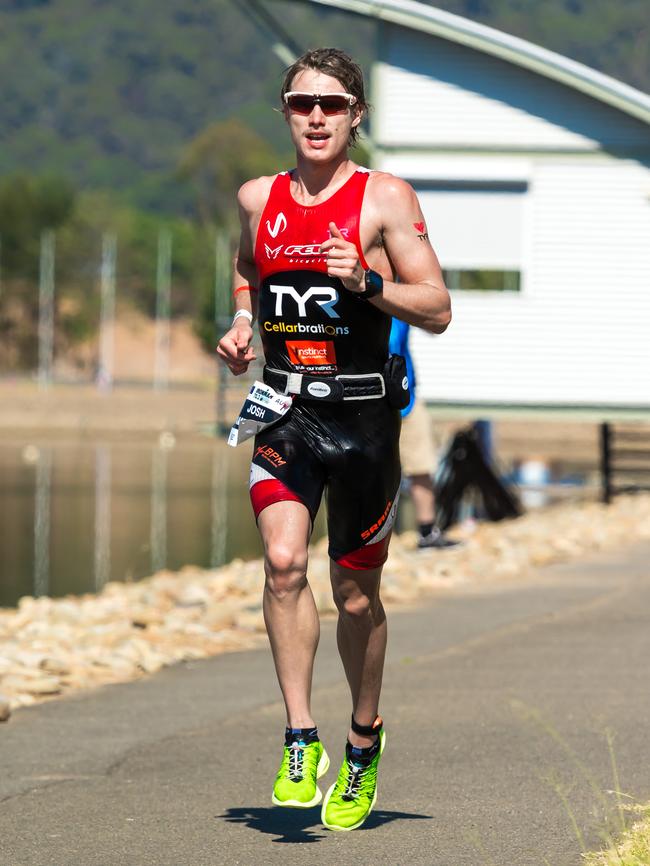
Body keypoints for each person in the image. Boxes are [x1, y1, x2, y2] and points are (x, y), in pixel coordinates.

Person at [216, 47, 451, 832]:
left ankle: (362, 737)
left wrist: (369, 284)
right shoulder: (258, 196)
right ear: (285, 111)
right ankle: (299, 735)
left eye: (331, 105)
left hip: (363, 422)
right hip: (284, 409)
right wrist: (245, 321)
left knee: (356, 595)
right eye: (299, 103)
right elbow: (248, 267)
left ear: (356, 116)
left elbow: (440, 306)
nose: (315, 117)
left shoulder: (384, 199)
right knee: (283, 565)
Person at [389, 318, 460, 549]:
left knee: (421, 464)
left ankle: (427, 532)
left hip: (406, 395)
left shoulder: (399, 296)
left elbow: (435, 322)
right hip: (364, 400)